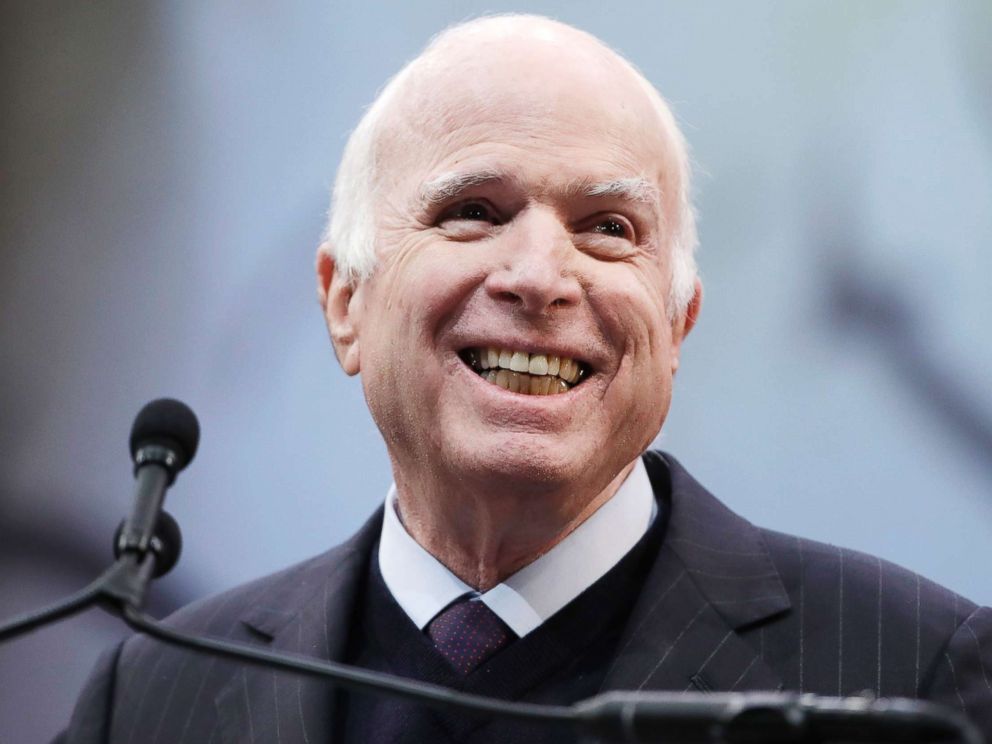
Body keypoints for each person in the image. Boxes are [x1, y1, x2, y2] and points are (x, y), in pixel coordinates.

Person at [59, 14, 991, 743]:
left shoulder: (911, 673)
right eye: (472, 211)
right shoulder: (154, 695)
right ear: (344, 301)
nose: (541, 276)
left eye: (608, 228)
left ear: (677, 327)